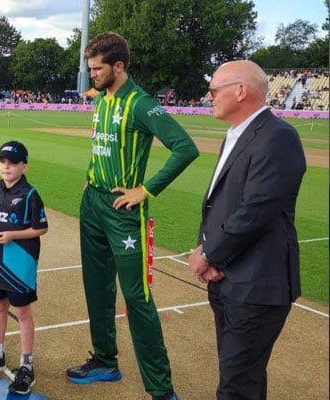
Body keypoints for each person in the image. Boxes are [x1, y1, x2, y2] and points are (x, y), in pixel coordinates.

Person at [66, 32, 198, 400]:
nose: (92, 75)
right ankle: (105, 361)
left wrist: (146, 189)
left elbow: (185, 148)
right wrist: (90, 180)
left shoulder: (142, 104)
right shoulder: (102, 101)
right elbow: (102, 147)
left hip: (124, 213)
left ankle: (161, 390)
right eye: (90, 69)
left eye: (97, 69)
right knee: (96, 288)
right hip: (92, 203)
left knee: (137, 299)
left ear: (118, 66)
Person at [187, 60, 306, 400]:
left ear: (240, 91)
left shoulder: (278, 136)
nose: (208, 97)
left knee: (237, 385)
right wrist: (206, 250)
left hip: (257, 287)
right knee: (241, 379)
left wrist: (209, 254)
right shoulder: (238, 134)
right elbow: (219, 204)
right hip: (229, 281)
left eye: (213, 90)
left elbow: (256, 211)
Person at [0, 141, 48, 395]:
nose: (6, 167)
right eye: (2, 162)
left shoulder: (29, 193)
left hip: (20, 260)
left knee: (22, 312)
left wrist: (14, 236)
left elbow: (41, 228)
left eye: (12, 163)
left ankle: (27, 366)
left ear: (23, 166)